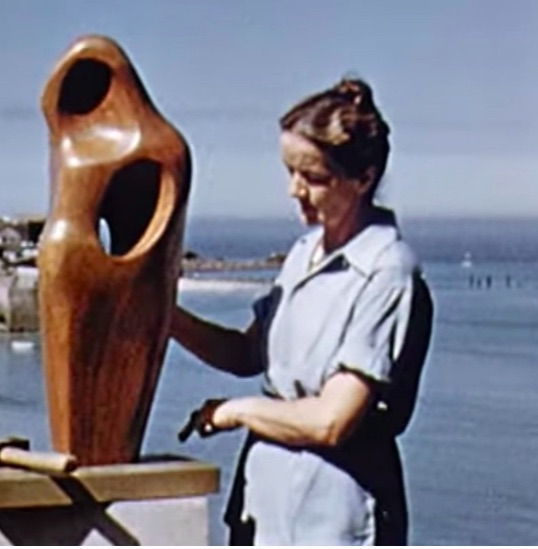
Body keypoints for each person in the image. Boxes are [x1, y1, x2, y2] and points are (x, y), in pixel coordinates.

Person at [170, 77, 434, 545]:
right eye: (289, 171)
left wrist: (235, 412)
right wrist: (167, 319)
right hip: (264, 509)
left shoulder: (387, 272)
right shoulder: (302, 254)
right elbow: (251, 353)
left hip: (335, 517)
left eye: (313, 177)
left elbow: (332, 421)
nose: (295, 190)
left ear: (364, 178)